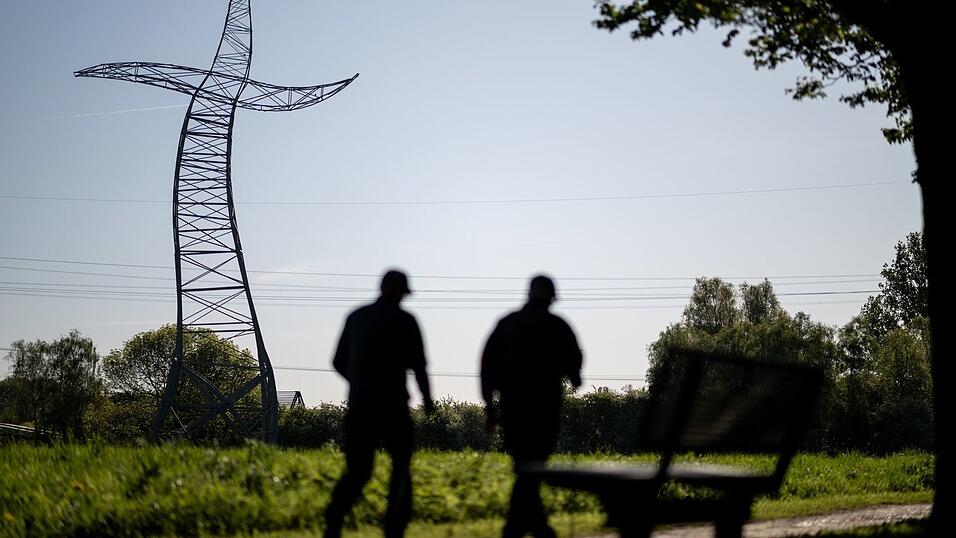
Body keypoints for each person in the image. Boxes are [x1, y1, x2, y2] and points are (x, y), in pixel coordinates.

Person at [323, 269, 435, 538]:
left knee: (359, 471)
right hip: (394, 406)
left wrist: (359, 381)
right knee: (401, 469)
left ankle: (334, 519)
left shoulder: (357, 317)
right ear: (402, 292)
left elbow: (337, 361)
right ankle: (394, 528)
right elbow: (419, 366)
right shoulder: (405, 320)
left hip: (360, 406)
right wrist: (428, 400)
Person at [480, 274, 583, 538]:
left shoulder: (508, 324)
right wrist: (574, 376)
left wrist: (490, 408)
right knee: (533, 468)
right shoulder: (557, 326)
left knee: (526, 468)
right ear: (551, 298)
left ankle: (525, 527)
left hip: (514, 411)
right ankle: (530, 528)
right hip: (546, 412)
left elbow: (487, 366)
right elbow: (575, 362)